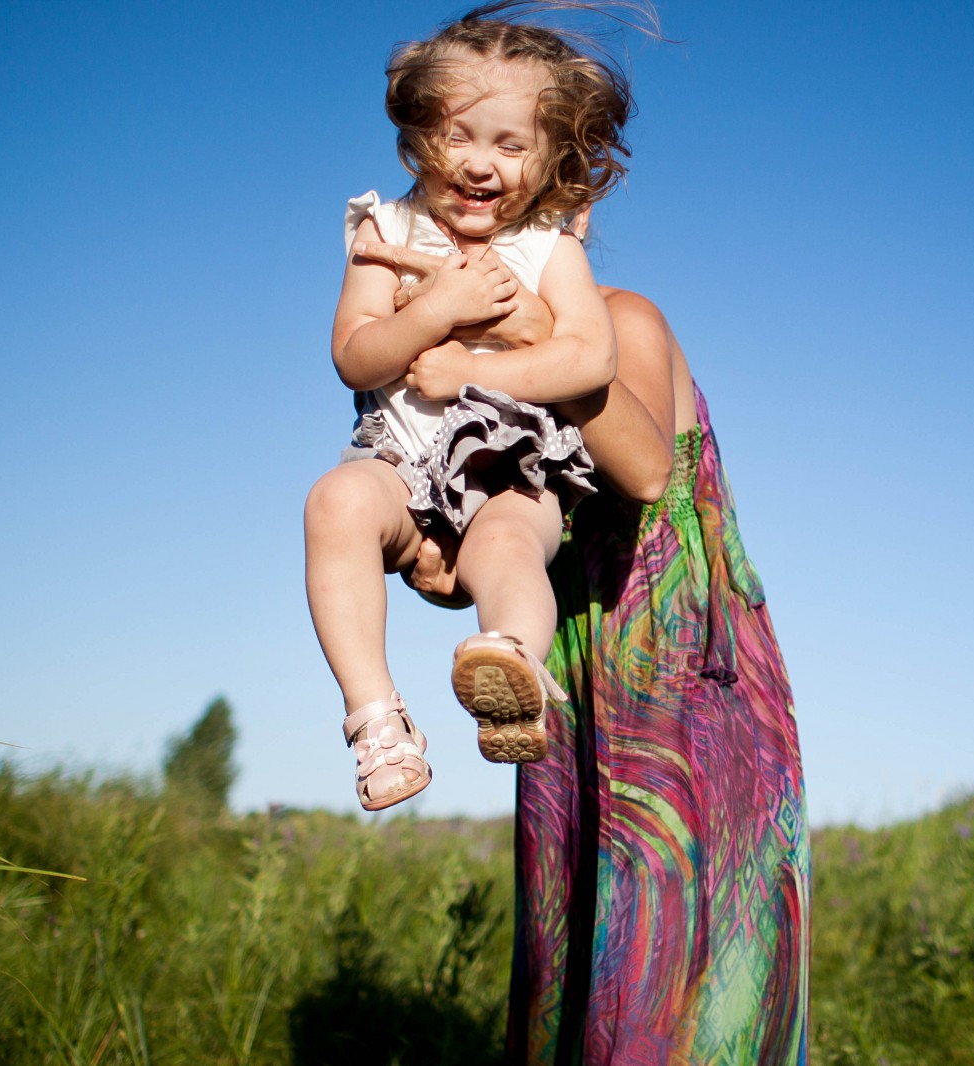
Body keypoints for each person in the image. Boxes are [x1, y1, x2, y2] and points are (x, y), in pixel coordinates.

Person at [356, 211, 811, 1061]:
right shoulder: (474, 366)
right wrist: (438, 560)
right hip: (567, 685)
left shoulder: (620, 318)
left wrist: (529, 327)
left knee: (678, 984)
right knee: (576, 968)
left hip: (684, 687)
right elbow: (502, 550)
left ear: (574, 208)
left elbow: (643, 473)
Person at [305, 2, 635, 811]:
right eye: (458, 137)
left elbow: (591, 357)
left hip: (509, 466)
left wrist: (466, 377)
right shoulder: (386, 230)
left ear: (552, 153)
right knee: (335, 502)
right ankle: (377, 719)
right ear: (419, 134)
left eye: (510, 144)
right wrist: (431, 311)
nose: (481, 164)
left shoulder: (550, 247)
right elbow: (353, 351)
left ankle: (512, 664)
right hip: (399, 459)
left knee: (512, 547)